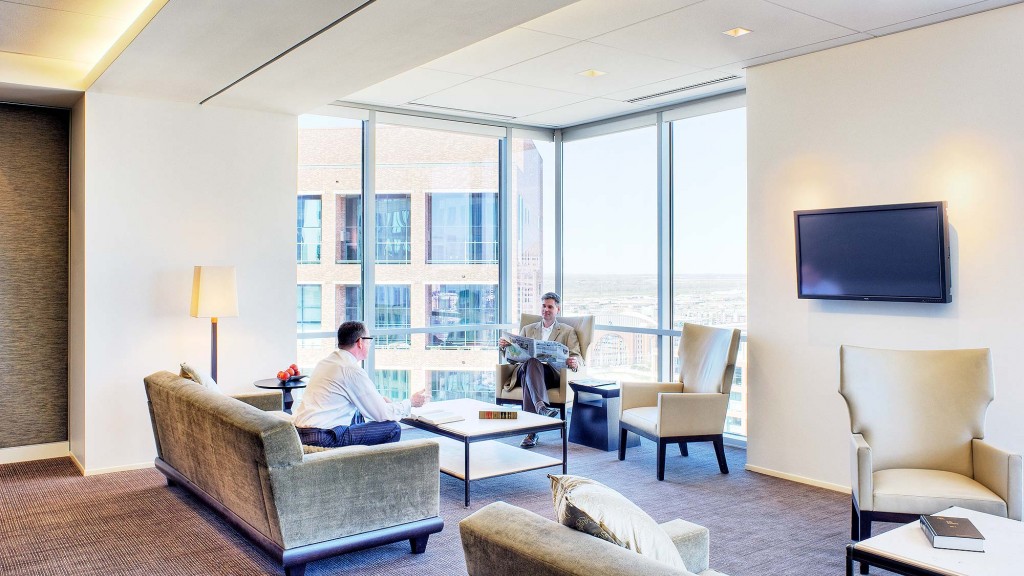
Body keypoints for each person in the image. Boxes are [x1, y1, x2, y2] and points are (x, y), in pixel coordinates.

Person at [293, 321, 428, 448]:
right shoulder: (351, 369)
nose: (370, 345)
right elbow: (382, 414)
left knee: (358, 414)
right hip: (324, 437)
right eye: (369, 340)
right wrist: (410, 403)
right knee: (392, 428)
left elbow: (347, 394)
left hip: (301, 433)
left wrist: (378, 401)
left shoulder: (326, 362)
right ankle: (373, 470)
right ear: (360, 342)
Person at [498, 292, 582, 448]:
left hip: (552, 374)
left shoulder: (567, 331)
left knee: (530, 371)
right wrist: (505, 348)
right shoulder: (528, 329)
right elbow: (512, 358)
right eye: (544, 306)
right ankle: (541, 409)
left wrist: (575, 362)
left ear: (558, 309)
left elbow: (578, 356)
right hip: (526, 369)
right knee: (532, 362)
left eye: (550, 306)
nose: (546, 310)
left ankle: (532, 432)